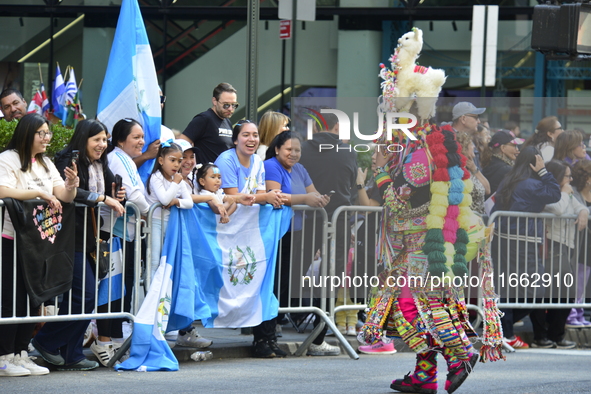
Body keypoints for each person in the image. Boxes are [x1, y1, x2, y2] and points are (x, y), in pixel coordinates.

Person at [32, 119, 125, 371]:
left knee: (84, 297)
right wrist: (104, 197)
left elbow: (109, 192)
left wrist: (117, 196)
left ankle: (71, 352)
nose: (102, 145)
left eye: (105, 140)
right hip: (67, 238)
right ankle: (45, 342)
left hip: (90, 240)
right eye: (97, 140)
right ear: (83, 139)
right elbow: (73, 192)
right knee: (84, 294)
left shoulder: (100, 164)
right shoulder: (67, 160)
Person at [0, 113, 78, 376]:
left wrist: (72, 185)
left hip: (38, 242)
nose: (47, 138)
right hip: (11, 239)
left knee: (33, 298)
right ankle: (4, 356)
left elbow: (63, 195)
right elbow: (2, 190)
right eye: (42, 133)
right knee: (11, 300)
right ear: (27, 134)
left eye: (48, 133)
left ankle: (21, 353)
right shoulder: (7, 159)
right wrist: (36, 193)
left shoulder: (45, 162)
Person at [215, 120, 285, 358]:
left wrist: (270, 197)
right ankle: (183, 332)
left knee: (259, 282)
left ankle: (265, 339)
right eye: (245, 135)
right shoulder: (226, 160)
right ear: (235, 140)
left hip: (250, 232)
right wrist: (266, 196)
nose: (252, 139)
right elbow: (234, 197)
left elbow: (256, 193)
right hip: (224, 231)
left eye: (255, 135)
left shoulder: (258, 161)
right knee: (218, 281)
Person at [263, 131, 334, 349]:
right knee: (277, 281)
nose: (293, 154)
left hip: (299, 233)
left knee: (290, 280)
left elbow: (313, 193)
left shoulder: (300, 169)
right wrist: (305, 199)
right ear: (277, 149)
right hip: (279, 232)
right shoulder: (271, 165)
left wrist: (321, 199)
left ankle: (280, 322)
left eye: (297, 150)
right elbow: (275, 195)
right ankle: (268, 328)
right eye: (289, 149)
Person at [299, 111, 357, 356]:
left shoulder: (302, 149)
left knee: (298, 269)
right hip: (339, 216)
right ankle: (319, 331)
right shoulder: (347, 151)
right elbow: (351, 182)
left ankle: (292, 319)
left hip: (306, 216)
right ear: (336, 128)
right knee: (333, 274)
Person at [491, 146, 561, 350]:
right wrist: (543, 172)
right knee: (536, 291)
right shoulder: (530, 183)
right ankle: (504, 330)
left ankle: (504, 330)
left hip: (504, 239)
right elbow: (555, 194)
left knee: (507, 287)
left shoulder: (510, 179)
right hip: (523, 241)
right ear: (535, 162)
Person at [530, 160, 584, 349]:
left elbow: (580, 208)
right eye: (567, 176)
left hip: (565, 247)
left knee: (566, 293)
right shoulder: (549, 192)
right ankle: (541, 336)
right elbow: (559, 209)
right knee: (545, 292)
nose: (570, 179)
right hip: (550, 246)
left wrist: (583, 211)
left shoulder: (566, 193)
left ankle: (556, 335)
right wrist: (564, 193)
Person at [145, 142, 194, 281]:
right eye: (172, 160)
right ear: (161, 160)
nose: (176, 165)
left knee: (167, 260)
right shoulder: (157, 177)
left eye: (179, 161)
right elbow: (165, 200)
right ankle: (151, 296)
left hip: (171, 224)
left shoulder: (177, 180)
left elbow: (189, 202)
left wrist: (177, 201)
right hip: (155, 223)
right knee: (154, 261)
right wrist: (175, 184)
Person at [179, 82, 238, 164]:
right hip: (206, 174)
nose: (230, 109)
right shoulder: (204, 119)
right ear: (214, 101)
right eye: (226, 105)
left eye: (234, 105)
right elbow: (181, 143)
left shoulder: (227, 121)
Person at [568, 159, 591, 327]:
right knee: (576, 279)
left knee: (583, 281)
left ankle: (579, 312)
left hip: (588, 244)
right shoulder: (574, 193)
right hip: (578, 242)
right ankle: (571, 314)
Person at [481, 130, 524, 198]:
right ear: (503, 148)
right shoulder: (506, 169)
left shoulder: (491, 162)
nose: (517, 150)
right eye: (514, 146)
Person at [456, 131, 490, 215]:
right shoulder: (457, 170)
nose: (474, 146)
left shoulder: (471, 167)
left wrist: (474, 169)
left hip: (478, 219)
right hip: (467, 220)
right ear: (464, 148)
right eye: (471, 144)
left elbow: (487, 190)